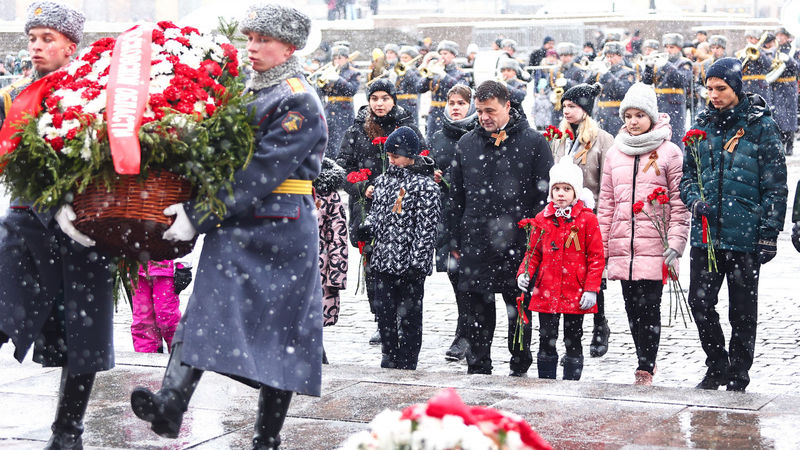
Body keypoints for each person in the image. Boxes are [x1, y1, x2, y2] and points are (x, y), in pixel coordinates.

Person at [129, 5, 327, 447]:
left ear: (289, 47)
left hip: (280, 229)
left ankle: (266, 437)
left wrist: (198, 215)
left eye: (263, 41)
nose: (252, 48)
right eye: (250, 39)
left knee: (281, 337)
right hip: (236, 223)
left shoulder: (297, 97)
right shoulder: (247, 90)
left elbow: (262, 169)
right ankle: (170, 406)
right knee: (204, 311)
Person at [0, 4, 114, 449]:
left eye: (47, 38)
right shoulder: (20, 91)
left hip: (81, 231)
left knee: (81, 336)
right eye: (32, 38)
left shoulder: (94, 89)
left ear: (71, 45)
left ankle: (68, 432)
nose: (36, 47)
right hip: (25, 225)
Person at [680, 57, 787, 392]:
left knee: (742, 311)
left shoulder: (761, 126)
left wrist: (769, 232)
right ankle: (717, 364)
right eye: (709, 88)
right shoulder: (701, 126)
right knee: (699, 302)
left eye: (720, 88)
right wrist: (694, 199)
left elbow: (775, 183)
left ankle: (739, 372)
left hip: (745, 234)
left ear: (736, 88)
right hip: (707, 235)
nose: (713, 94)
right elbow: (687, 177)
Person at [449, 80, 553, 376]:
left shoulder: (534, 142)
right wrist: (454, 238)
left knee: (518, 308)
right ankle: (478, 365)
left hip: (518, 242)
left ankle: (520, 361)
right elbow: (456, 196)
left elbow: (542, 194)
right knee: (477, 312)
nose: (484, 117)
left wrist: (533, 234)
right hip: (476, 242)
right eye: (480, 111)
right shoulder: (467, 144)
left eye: (490, 110)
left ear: (508, 107)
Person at [598, 82, 690, 385]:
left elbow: (679, 203)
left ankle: (646, 365)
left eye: (639, 115)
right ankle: (642, 354)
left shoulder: (670, 153)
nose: (633, 122)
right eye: (628, 116)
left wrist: (676, 242)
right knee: (631, 306)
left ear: (652, 116)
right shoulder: (615, 153)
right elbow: (607, 203)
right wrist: (602, 248)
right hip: (624, 245)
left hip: (655, 244)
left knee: (649, 306)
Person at [336, 78, 425, 345]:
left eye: (385, 98)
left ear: (393, 100)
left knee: (401, 264)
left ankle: (401, 318)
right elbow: (342, 167)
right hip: (368, 208)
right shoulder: (356, 130)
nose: (379, 103)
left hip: (401, 206)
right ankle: (381, 317)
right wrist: (361, 187)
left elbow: (422, 160)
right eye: (374, 98)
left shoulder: (406, 126)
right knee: (373, 266)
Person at [516, 157, 604, 381]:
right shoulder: (542, 219)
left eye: (567, 189)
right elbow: (533, 252)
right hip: (547, 289)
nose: (561, 194)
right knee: (546, 338)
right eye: (557, 189)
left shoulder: (587, 220)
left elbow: (595, 257)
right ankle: (546, 381)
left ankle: (571, 383)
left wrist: (591, 288)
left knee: (573, 338)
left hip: (575, 289)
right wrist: (524, 272)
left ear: (576, 192)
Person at [362, 126, 440, 370]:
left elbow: (426, 229)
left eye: (396, 156)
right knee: (384, 314)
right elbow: (377, 216)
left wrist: (418, 263)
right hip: (384, 261)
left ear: (410, 155)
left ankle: (407, 360)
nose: (391, 160)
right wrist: (366, 228)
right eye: (389, 156)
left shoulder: (425, 186)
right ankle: (388, 353)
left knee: (409, 318)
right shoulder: (383, 183)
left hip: (408, 265)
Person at [550, 83, 615, 357]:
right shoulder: (559, 138)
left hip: (591, 218)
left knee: (593, 275)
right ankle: (571, 341)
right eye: (565, 106)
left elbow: (606, 182)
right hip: (563, 219)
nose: (567, 111)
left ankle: (600, 323)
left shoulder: (602, 139)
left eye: (573, 106)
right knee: (567, 275)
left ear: (585, 110)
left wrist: (600, 216)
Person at [429, 84, 477, 361]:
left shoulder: (477, 134)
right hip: (447, 214)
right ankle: (464, 328)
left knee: (472, 278)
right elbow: (430, 164)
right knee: (455, 275)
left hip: (472, 213)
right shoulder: (439, 135)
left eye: (461, 102)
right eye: (452, 102)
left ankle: (468, 332)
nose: (456, 107)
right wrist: (433, 173)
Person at [313, 158, 349, 364]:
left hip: (320, 268)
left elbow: (338, 236)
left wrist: (336, 274)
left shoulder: (328, 194)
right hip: (291, 266)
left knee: (313, 322)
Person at [641, 33, 693, 150]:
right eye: (666, 47)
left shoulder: (684, 63)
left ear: (679, 48)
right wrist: (649, 67)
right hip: (659, 105)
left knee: (675, 136)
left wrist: (667, 64)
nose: (668, 50)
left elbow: (683, 80)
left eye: (672, 47)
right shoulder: (658, 63)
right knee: (658, 136)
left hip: (675, 106)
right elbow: (646, 82)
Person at [418, 40, 469, 142]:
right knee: (431, 143)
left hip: (451, 114)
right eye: (440, 54)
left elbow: (462, 90)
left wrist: (444, 76)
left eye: (445, 53)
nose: (442, 56)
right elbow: (419, 88)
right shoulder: (435, 71)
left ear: (453, 55)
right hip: (434, 116)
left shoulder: (461, 73)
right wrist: (428, 77)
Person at [131, 260, 186, 353]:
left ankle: (178, 355)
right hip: (137, 268)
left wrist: (183, 266)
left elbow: (185, 245)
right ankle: (146, 358)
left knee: (167, 317)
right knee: (142, 320)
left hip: (165, 269)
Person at [318, 44, 360, 159]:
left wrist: (338, 79)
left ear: (347, 58)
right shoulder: (329, 71)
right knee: (329, 142)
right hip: (329, 110)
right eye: (335, 58)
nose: (337, 61)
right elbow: (321, 92)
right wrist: (321, 82)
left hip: (344, 111)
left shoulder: (353, 73)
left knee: (342, 141)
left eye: (340, 58)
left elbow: (352, 90)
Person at [591, 41, 636, 136]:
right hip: (600, 115)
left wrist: (606, 74)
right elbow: (588, 88)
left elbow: (622, 90)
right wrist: (592, 73)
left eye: (612, 56)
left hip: (616, 116)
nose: (609, 59)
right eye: (607, 57)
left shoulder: (628, 72)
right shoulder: (602, 72)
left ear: (620, 56)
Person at [765, 35, 798, 156]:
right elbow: (768, 67)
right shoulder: (774, 51)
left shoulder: (794, 51)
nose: (779, 38)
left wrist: (789, 60)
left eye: (782, 36)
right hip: (776, 87)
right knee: (778, 117)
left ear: (787, 37)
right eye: (777, 36)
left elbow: (797, 69)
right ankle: (781, 143)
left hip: (789, 87)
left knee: (790, 116)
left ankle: (790, 144)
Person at [740, 29, 772, 104]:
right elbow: (738, 68)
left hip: (760, 86)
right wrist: (743, 56)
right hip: (746, 87)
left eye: (751, 38)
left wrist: (759, 53)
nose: (749, 40)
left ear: (757, 39)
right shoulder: (742, 52)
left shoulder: (764, 51)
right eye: (748, 38)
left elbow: (768, 65)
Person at [395, 45, 422, 126]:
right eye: (402, 58)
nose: (403, 60)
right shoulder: (398, 71)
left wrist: (408, 70)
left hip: (410, 105)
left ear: (412, 59)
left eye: (406, 58)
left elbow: (417, 85)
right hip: (398, 104)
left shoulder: (416, 72)